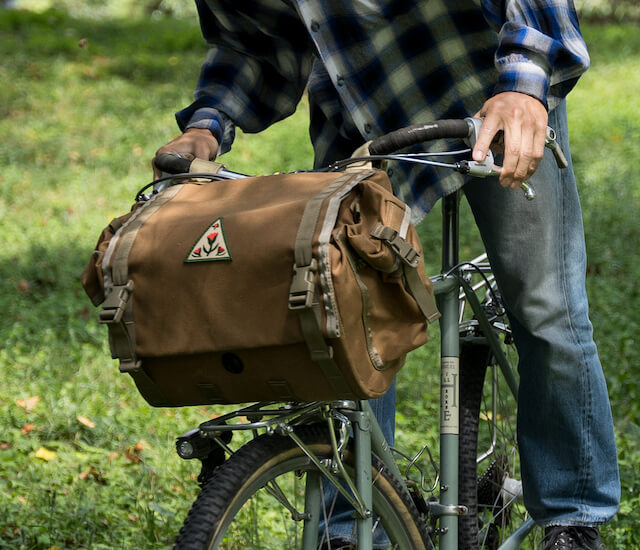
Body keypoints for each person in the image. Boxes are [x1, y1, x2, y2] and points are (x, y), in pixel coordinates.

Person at [154, 1, 621, 548]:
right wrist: (207, 124)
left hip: (492, 91)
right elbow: (253, 40)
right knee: (339, 316)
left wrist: (523, 82)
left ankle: (573, 515)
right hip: (362, 120)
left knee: (545, 305)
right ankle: (352, 525)